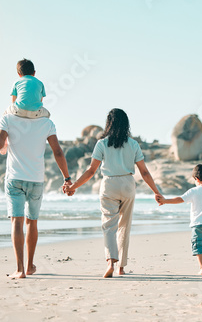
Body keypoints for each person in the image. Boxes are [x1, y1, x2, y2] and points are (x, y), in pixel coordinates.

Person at [64, 108, 162, 278]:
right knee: (125, 225)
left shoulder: (102, 143)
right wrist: (156, 191)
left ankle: (110, 261)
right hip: (127, 184)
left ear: (108, 123)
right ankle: (121, 267)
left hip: (109, 184)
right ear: (126, 124)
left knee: (109, 225)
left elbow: (90, 171)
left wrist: (74, 187)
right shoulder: (133, 144)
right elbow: (144, 172)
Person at [0, 112, 71, 279]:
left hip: (15, 179)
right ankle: (29, 266)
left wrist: (3, 140)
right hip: (36, 179)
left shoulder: (7, 118)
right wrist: (67, 178)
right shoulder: (47, 123)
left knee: (17, 220)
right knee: (32, 221)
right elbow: (57, 152)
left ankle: (19, 269)